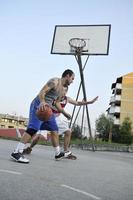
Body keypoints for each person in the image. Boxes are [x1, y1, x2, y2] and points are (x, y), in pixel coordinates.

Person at [11, 69, 75, 163]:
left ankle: (57, 154)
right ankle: (16, 152)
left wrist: (65, 113)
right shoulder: (54, 81)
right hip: (38, 104)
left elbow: (57, 103)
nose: (72, 81)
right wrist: (42, 102)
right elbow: (42, 92)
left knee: (54, 129)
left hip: (48, 109)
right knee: (33, 128)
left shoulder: (64, 89)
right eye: (72, 78)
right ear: (67, 76)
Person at [23, 86, 98, 160]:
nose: (63, 92)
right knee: (39, 136)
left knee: (68, 131)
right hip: (45, 116)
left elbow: (77, 102)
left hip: (55, 118)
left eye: (65, 91)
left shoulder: (67, 99)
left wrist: (90, 102)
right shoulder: (54, 97)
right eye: (62, 90)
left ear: (66, 92)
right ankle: (29, 148)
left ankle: (65, 152)